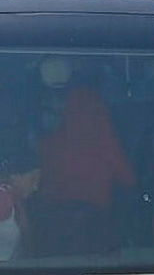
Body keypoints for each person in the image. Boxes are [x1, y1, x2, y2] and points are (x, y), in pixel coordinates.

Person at [32, 56, 136, 253]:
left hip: (50, 217)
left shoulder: (34, 108)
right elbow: (112, 151)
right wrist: (131, 183)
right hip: (90, 215)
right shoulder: (89, 104)